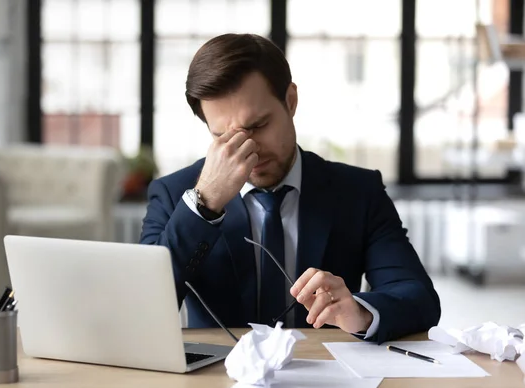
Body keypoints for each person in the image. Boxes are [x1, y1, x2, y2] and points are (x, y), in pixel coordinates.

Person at [140, 33, 440, 344]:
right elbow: (142, 307)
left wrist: (361, 312)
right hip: (216, 379)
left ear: (291, 101)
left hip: (327, 376)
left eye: (257, 126)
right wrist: (205, 204)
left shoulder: (358, 191)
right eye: (222, 136)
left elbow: (419, 298)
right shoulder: (174, 195)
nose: (248, 149)